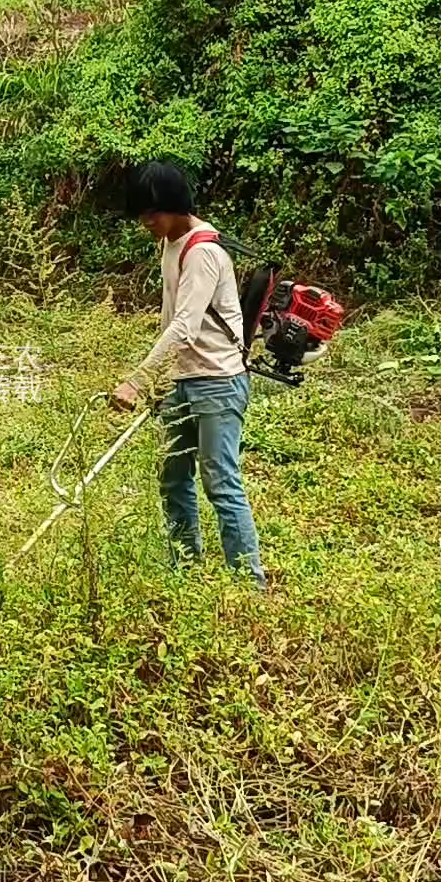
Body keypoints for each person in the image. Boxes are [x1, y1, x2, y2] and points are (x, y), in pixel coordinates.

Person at [111, 161, 265, 584]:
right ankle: (185, 569)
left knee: (221, 483)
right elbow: (169, 315)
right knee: (173, 478)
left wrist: (138, 381)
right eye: (141, 215)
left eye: (152, 213)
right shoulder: (170, 243)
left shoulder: (204, 252)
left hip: (218, 381)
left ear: (176, 206)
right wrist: (163, 380)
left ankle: (248, 583)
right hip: (182, 380)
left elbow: (186, 325)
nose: (146, 222)